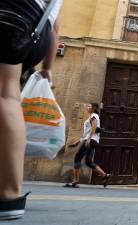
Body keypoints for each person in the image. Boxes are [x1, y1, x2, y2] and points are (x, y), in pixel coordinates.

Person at [0, 0, 63, 220]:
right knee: (8, 95)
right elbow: (56, 28)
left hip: (13, 14)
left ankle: (8, 193)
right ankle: (9, 194)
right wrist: (48, 68)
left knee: (4, 94)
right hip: (38, 33)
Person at [65, 103, 111, 188]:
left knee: (77, 157)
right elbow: (88, 131)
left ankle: (75, 181)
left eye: (89, 106)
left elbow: (93, 127)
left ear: (93, 108)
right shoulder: (92, 116)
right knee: (88, 161)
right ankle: (105, 176)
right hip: (92, 140)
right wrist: (78, 141)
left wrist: (89, 139)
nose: (87, 107)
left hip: (90, 140)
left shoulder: (94, 115)